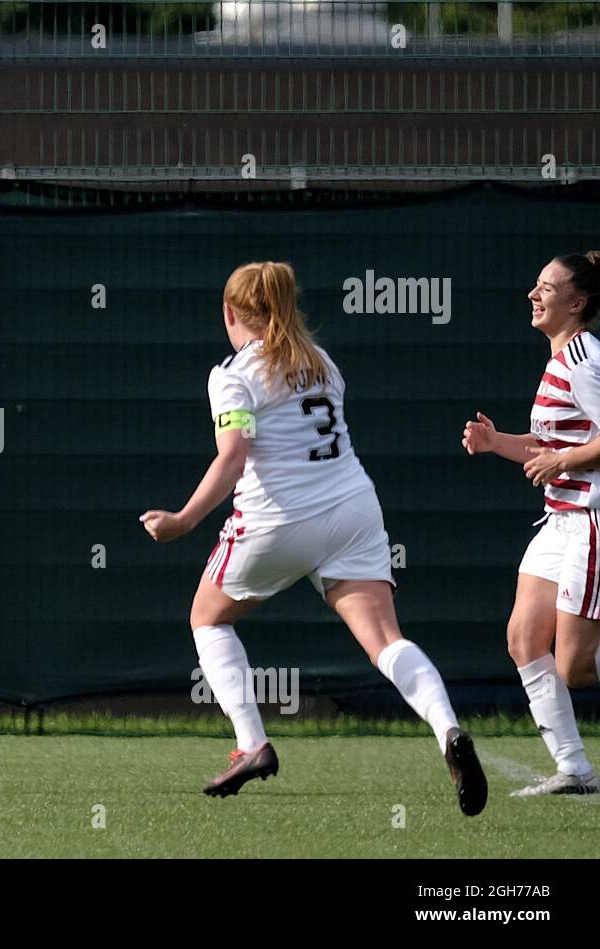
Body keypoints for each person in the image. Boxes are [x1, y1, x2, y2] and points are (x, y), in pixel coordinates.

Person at [141, 261, 486, 816]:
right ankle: (448, 729)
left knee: (207, 618)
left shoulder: (231, 374)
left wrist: (181, 520)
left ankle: (252, 744)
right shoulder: (322, 362)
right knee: (385, 641)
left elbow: (233, 459)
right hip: (353, 508)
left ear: (230, 313)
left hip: (277, 519)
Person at [462, 252, 600, 796]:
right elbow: (552, 446)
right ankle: (573, 770)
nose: (533, 295)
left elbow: (571, 453)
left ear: (577, 303)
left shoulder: (586, 357)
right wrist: (498, 443)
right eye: (535, 285)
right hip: (558, 520)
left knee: (575, 667)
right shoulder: (559, 358)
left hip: (592, 519)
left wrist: (562, 463)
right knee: (523, 638)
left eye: (546, 288)